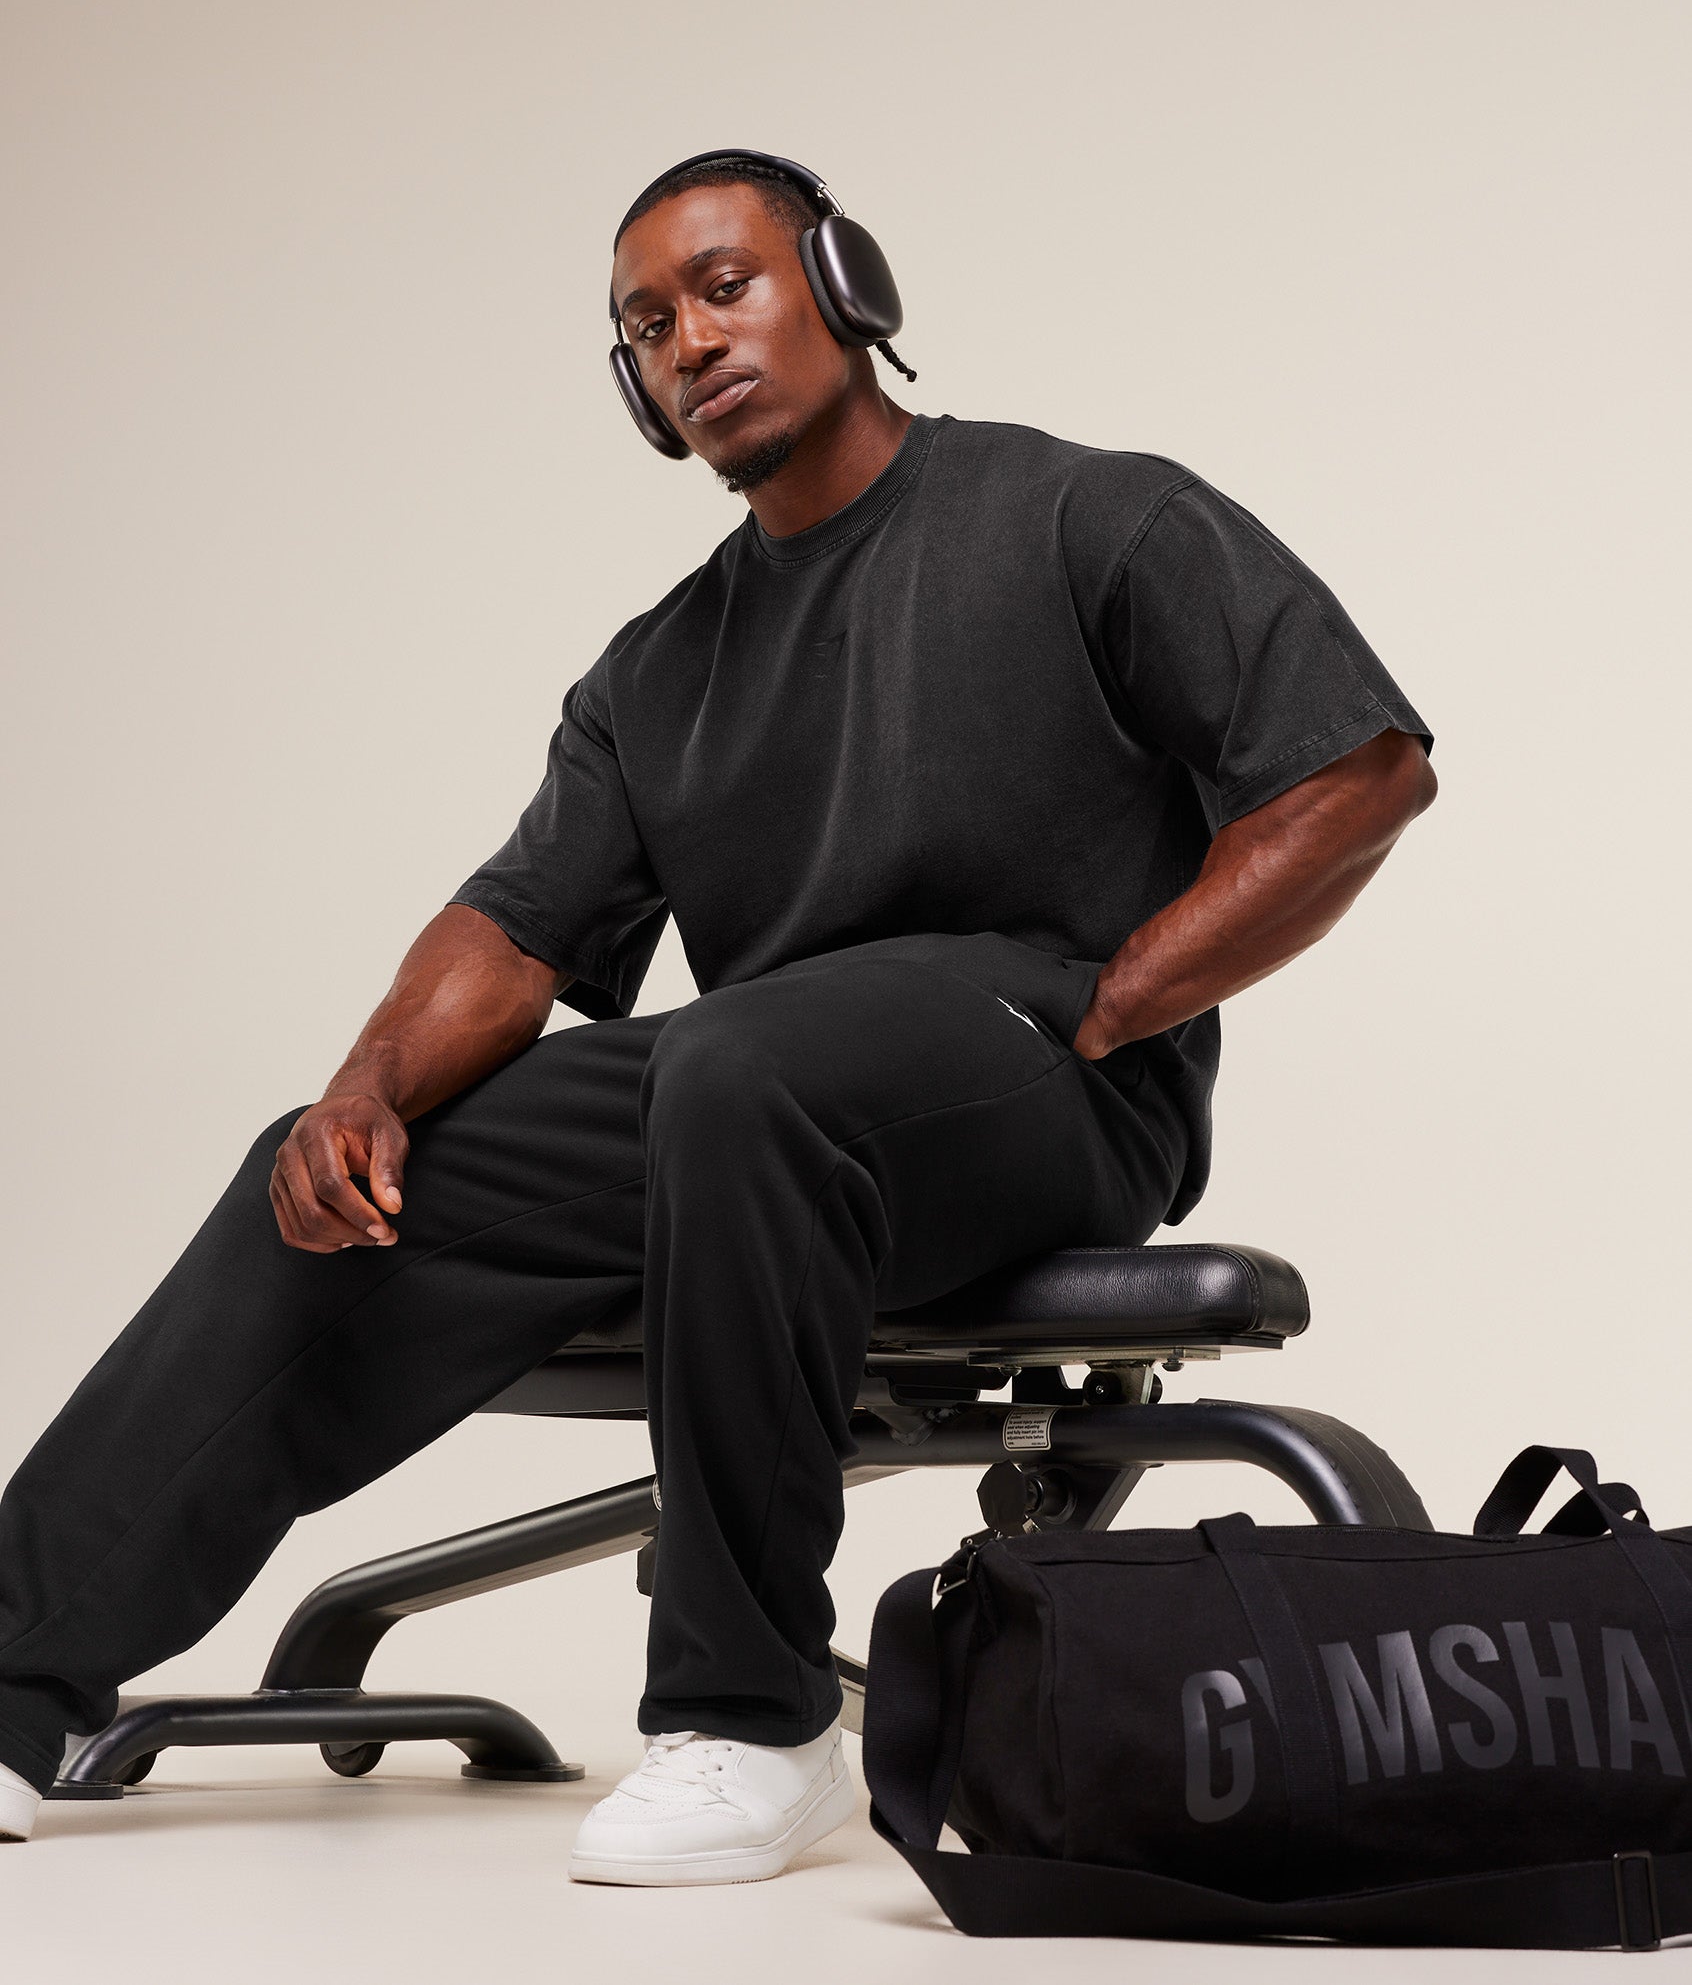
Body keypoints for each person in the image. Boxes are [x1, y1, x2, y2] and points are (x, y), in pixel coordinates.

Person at [0, 151, 1436, 1884]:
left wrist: (1127, 997)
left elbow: (1361, 770)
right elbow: (512, 934)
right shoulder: (657, 670)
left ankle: (753, 1720)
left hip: (1051, 1081)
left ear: (846, 283)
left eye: (725, 284)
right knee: (331, 1174)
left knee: (739, 1061)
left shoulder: (1083, 515)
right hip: (756, 1112)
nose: (689, 340)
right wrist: (363, 1088)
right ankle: (13, 1675)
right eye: (647, 325)